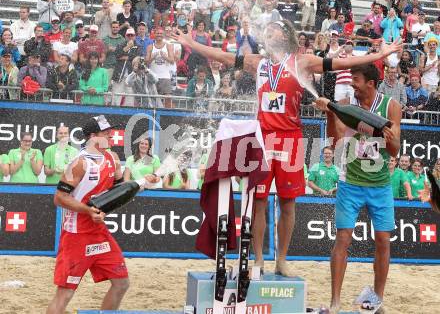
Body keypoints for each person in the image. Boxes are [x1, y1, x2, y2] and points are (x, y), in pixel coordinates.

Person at [172, 19, 402, 276]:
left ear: (286, 36)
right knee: (258, 202)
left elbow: (341, 64)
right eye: (267, 28)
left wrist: (382, 53)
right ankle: (257, 260)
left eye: (275, 29)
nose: (269, 31)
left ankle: (281, 260)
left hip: (290, 138)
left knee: (288, 203)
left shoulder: (302, 62)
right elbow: (222, 56)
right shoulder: (256, 62)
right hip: (262, 137)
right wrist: (192, 44)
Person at [314, 63, 402, 312]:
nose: (351, 84)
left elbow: (395, 150)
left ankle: (376, 300)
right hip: (350, 182)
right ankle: (335, 302)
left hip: (380, 183)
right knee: (343, 238)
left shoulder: (391, 106)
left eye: (356, 80)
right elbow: (336, 140)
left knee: (383, 240)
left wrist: (389, 138)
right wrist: (331, 114)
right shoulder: (345, 104)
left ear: (371, 84)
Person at [46, 115, 151, 313]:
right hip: (76, 236)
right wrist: (88, 210)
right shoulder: (79, 163)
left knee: (121, 283)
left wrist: (142, 184)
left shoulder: (112, 158)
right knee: (65, 293)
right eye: (105, 133)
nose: (111, 135)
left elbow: (119, 189)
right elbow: (59, 198)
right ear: (93, 136)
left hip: (98, 233)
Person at [145, 28, 174, 95]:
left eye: (161, 33)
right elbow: (146, 63)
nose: (159, 35)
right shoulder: (150, 47)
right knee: (152, 98)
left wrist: (165, 57)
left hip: (165, 77)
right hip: (153, 76)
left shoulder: (168, 46)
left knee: (167, 98)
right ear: (155, 34)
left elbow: (172, 61)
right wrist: (152, 58)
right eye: (157, 33)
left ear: (163, 35)